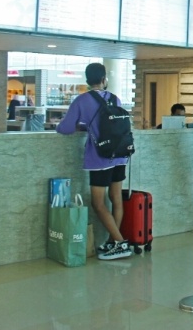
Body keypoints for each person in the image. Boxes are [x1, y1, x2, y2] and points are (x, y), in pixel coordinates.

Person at [56, 62, 132, 261]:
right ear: (104, 79)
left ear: (87, 79)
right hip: (120, 154)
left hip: (100, 157)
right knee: (116, 198)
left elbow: (65, 128)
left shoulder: (82, 100)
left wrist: (81, 126)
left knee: (98, 203)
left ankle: (119, 243)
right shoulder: (115, 98)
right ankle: (112, 241)